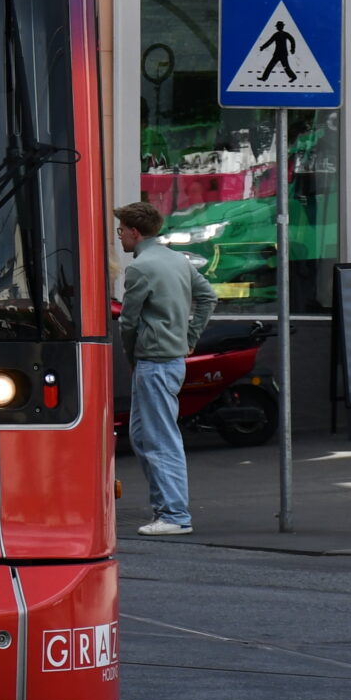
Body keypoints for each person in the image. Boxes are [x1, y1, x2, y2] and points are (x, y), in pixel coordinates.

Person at [116, 199, 216, 538]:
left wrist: (131, 357)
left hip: (153, 360)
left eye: (120, 231)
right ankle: (168, 510)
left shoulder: (140, 268)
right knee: (146, 436)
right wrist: (191, 336)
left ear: (133, 231)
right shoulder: (177, 260)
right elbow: (208, 297)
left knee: (158, 438)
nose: (118, 237)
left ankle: (174, 514)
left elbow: (128, 322)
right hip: (170, 358)